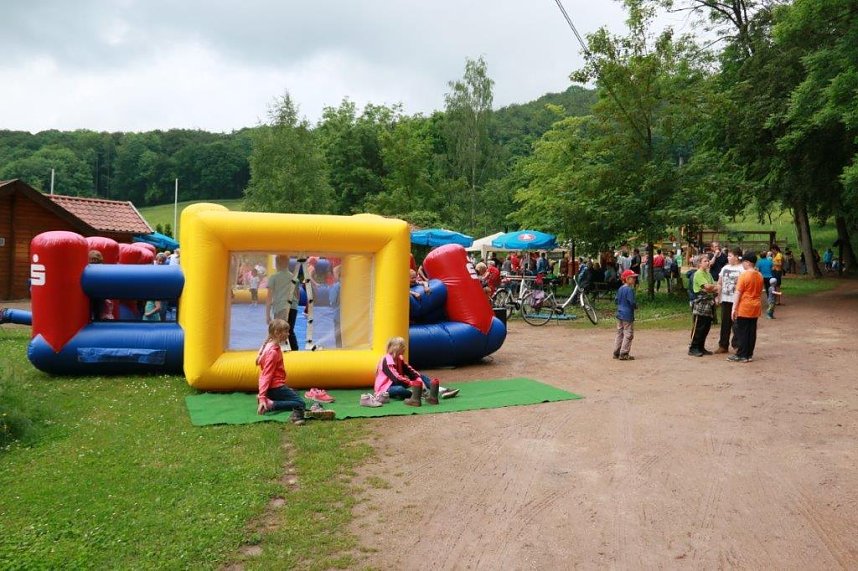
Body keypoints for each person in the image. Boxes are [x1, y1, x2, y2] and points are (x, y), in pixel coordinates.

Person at [374, 337, 441, 406]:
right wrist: (413, 383)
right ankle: (417, 394)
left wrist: (419, 380)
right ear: (396, 348)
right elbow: (396, 379)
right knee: (399, 389)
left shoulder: (400, 359)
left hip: (398, 383)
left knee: (420, 376)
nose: (405, 348)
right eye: (402, 346)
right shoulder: (386, 360)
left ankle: (438, 391)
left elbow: (411, 372)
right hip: (386, 388)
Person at [729, 252, 764, 363]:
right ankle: (749, 354)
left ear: (748, 262)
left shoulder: (744, 275)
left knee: (742, 331)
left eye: (743, 262)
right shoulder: (759, 275)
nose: (742, 264)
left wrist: (734, 308)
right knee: (751, 331)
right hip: (755, 306)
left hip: (745, 306)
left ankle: (742, 354)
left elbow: (738, 292)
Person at [266, 255, 300, 351]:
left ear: (277, 264)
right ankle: (295, 352)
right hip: (292, 307)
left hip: (280, 307)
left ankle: (278, 352)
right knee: (290, 330)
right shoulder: (294, 278)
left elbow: (269, 298)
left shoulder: (274, 277)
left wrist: (267, 315)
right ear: (287, 264)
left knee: (279, 331)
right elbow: (298, 296)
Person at [715, 248, 744, 354]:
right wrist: (718, 296)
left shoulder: (742, 269)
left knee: (737, 324)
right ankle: (723, 345)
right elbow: (719, 283)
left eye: (730, 256)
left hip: (737, 300)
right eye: (728, 256)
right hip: (725, 299)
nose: (728, 257)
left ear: (737, 257)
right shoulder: (725, 268)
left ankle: (737, 345)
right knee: (725, 323)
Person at [689, 256, 719, 357]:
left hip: (709, 302)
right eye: (705, 261)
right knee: (699, 326)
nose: (707, 262)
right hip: (700, 303)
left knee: (706, 326)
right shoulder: (698, 274)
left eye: (708, 260)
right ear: (699, 264)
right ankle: (693, 348)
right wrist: (712, 287)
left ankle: (701, 347)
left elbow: (715, 287)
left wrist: (713, 287)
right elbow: (707, 287)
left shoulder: (708, 273)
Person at [613, 270, 638, 361]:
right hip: (627, 314)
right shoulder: (629, 289)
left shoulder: (620, 288)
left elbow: (616, 300)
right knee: (628, 333)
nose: (634, 279)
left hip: (619, 313)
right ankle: (624, 353)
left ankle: (616, 351)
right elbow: (632, 302)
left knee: (619, 332)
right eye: (632, 277)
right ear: (627, 279)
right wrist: (635, 306)